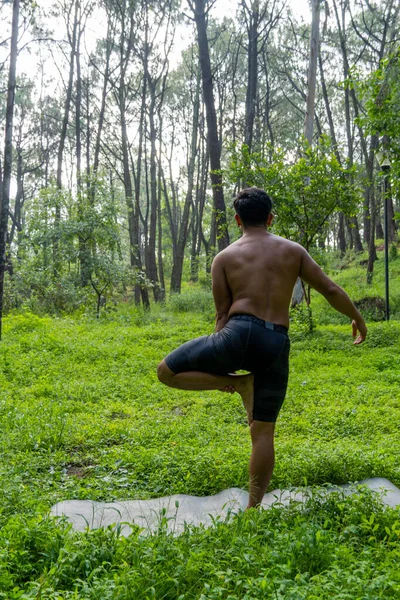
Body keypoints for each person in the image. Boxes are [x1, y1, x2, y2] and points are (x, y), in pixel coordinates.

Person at [157, 187, 367, 509]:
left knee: (166, 372)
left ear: (238, 220)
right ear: (270, 218)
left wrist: (221, 365)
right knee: (263, 432)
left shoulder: (224, 258)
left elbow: (222, 315)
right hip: (276, 342)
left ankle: (242, 383)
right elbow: (329, 288)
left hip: (237, 334)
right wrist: (357, 318)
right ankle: (253, 511)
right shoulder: (293, 251)